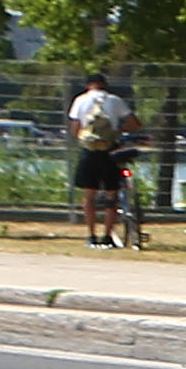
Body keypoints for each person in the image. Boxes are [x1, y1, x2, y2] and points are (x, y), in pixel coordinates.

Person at [65, 69, 139, 246]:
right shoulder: (114, 100)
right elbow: (134, 124)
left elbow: (75, 129)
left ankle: (91, 235)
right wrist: (118, 130)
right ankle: (107, 236)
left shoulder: (80, 100)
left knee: (89, 196)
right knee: (111, 195)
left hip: (89, 151)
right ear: (105, 85)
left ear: (87, 86)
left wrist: (85, 136)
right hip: (111, 152)